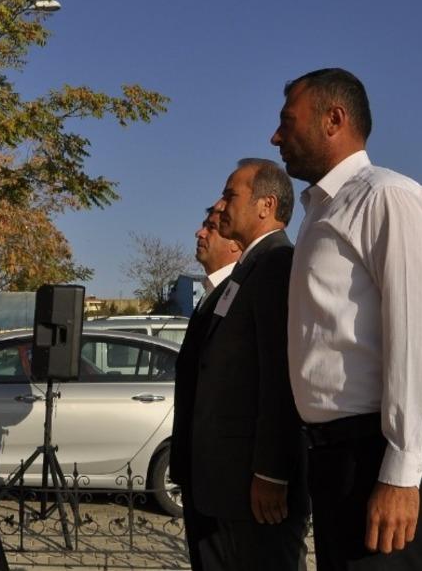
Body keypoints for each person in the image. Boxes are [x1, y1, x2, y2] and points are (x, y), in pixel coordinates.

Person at [272, 68, 422, 570]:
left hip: (374, 451)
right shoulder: (321, 210)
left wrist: (400, 471)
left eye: (288, 120)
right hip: (334, 457)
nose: (276, 135)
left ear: (334, 119)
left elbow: (417, 334)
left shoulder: (385, 196)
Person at [174, 159, 309, 570]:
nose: (221, 204)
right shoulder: (246, 271)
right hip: (225, 484)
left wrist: (271, 472)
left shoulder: (276, 264)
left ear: (266, 205)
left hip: (252, 488)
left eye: (231, 195)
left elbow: (280, 375)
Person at [171, 205, 243, 570]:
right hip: (201, 474)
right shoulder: (212, 295)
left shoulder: (243, 292)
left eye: (212, 227)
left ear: (235, 244)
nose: (200, 233)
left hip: (226, 481)